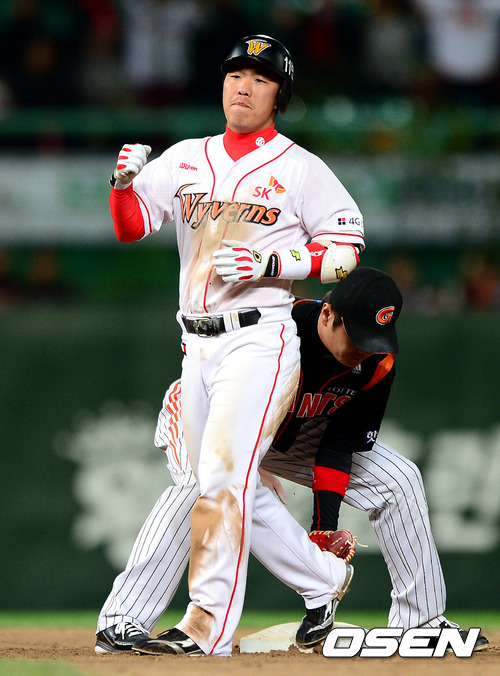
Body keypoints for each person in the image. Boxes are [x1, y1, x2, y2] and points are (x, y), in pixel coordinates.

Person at [107, 34, 364, 657]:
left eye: (260, 78)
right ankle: (322, 578)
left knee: (223, 478)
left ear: (279, 96)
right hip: (196, 344)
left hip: (259, 340)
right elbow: (132, 227)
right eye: (235, 74)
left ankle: (205, 628)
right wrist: (122, 186)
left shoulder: (299, 168)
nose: (244, 86)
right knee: (224, 484)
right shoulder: (186, 158)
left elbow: (347, 253)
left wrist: (276, 261)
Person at [95, 268, 489, 655]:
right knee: (204, 485)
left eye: (375, 338)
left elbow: (338, 445)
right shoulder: (280, 325)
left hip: (295, 432)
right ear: (327, 314)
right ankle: (123, 619)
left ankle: (421, 621)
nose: (365, 348)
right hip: (210, 411)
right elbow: (227, 390)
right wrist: (253, 463)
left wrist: (323, 529)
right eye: (356, 335)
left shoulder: (376, 361)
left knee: (400, 478)